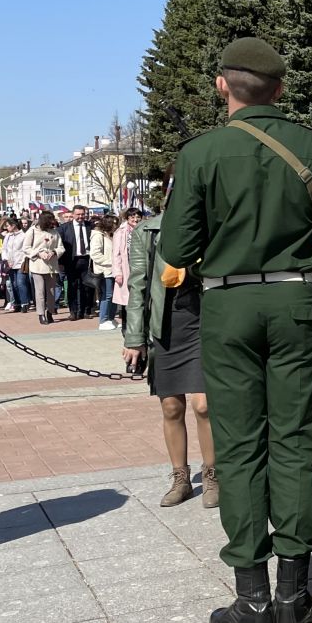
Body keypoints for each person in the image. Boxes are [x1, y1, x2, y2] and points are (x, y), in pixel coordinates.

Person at [159, 37, 312, 623]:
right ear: (280, 89)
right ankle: (293, 595)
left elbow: (175, 251)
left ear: (222, 86)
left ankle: (251, 601)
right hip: (297, 301)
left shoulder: (199, 154)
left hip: (227, 305)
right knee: (295, 439)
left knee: (239, 443)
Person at [123, 205, 216, 509]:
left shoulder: (212, 222)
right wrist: (134, 338)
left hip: (204, 320)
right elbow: (137, 286)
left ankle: (213, 474)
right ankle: (181, 478)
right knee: (172, 406)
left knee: (204, 405)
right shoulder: (146, 231)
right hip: (165, 322)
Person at [25, 211, 62, 323]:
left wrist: (54, 252)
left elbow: (61, 247)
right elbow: (26, 248)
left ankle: (50, 312)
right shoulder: (32, 231)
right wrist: (38, 253)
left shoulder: (55, 232)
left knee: (51, 291)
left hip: (51, 266)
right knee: (40, 291)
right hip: (37, 266)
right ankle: (41, 314)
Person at [60, 207, 93, 320]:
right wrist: (61, 262)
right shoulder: (64, 228)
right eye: (78, 214)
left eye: (82, 214)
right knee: (72, 286)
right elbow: (61, 245)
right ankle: (73, 311)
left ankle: (84, 311)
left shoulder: (90, 226)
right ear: (73, 215)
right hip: (72, 261)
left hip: (86, 259)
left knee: (86, 287)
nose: (80, 217)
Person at [111, 206, 142, 330]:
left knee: (138, 297)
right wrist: (117, 273)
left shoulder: (144, 229)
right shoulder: (121, 232)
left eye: (138, 217)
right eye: (132, 217)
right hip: (126, 268)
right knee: (126, 300)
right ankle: (126, 328)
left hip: (140, 267)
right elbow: (116, 254)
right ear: (127, 218)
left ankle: (138, 327)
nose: (135, 219)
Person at [90, 214, 118, 330]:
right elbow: (95, 254)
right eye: (114, 223)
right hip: (104, 271)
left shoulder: (110, 235)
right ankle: (103, 319)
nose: (116, 226)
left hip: (113, 271)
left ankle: (111, 318)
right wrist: (112, 262)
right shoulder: (98, 236)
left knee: (113, 296)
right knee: (107, 295)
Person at [0, 216, 30, 313]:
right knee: (14, 284)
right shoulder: (8, 236)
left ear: (14, 225)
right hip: (10, 264)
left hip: (20, 263)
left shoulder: (23, 235)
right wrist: (6, 259)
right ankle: (16, 303)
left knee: (21, 283)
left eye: (8, 226)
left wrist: (24, 260)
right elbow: (4, 249)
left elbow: (25, 249)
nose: (6, 228)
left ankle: (25, 303)